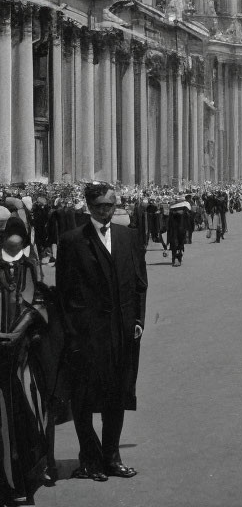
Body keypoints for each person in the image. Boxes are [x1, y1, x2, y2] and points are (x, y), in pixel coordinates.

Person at [55, 182, 147, 482]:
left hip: (121, 332)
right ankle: (89, 459)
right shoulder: (72, 240)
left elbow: (139, 284)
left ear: (115, 204)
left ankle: (111, 457)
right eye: (99, 207)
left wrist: (139, 320)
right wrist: (72, 333)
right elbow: (64, 293)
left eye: (110, 205)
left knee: (116, 397)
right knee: (83, 399)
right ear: (88, 207)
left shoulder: (128, 236)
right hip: (87, 335)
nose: (105, 211)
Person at [0, 217, 51, 504]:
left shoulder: (30, 264)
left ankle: (31, 468)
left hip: (25, 350)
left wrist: (19, 330)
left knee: (28, 406)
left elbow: (40, 300)